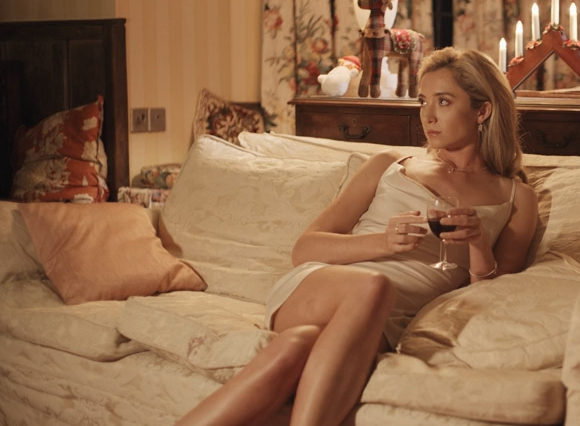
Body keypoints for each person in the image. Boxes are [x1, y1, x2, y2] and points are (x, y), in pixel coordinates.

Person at [176, 47, 539, 426]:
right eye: (423, 101)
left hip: (389, 319)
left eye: (443, 102)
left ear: (482, 111)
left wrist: (478, 244)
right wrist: (383, 242)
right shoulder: (391, 164)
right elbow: (305, 249)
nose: (428, 115)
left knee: (295, 350)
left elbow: (494, 295)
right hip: (319, 290)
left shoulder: (517, 198)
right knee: (373, 285)